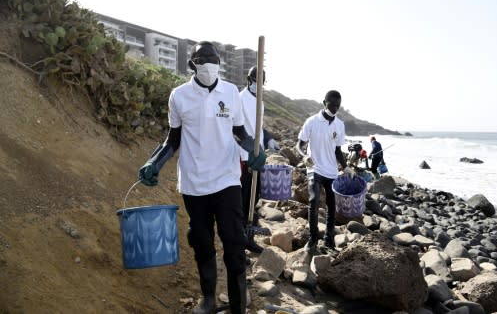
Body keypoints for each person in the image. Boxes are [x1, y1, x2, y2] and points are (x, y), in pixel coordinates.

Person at [138, 41, 266, 314]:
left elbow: (240, 132)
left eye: (213, 58)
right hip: (194, 184)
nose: (209, 63)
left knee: (234, 244)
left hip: (227, 179)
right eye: (203, 58)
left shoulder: (231, 92)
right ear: (192, 64)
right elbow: (173, 139)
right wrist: (154, 162)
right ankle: (208, 300)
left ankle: (238, 307)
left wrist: (254, 149)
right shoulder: (179, 96)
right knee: (202, 244)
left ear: (219, 63)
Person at [295, 90, 351, 253]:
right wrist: (304, 156)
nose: (334, 108)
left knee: (332, 206)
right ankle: (313, 239)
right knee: (314, 200)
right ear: (324, 103)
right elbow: (299, 145)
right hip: (314, 167)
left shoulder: (339, 125)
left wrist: (345, 166)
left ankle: (329, 240)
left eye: (337, 106)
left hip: (331, 171)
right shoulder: (311, 122)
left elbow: (338, 151)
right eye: (332, 105)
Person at [239, 66, 279, 254]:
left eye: (261, 80)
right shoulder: (240, 99)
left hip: (258, 156)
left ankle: (249, 238)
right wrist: (246, 151)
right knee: (244, 198)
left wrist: (269, 137)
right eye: (255, 79)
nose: (258, 83)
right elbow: (236, 129)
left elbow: (259, 128)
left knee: (254, 197)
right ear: (249, 79)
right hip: (244, 156)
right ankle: (240, 242)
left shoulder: (259, 102)